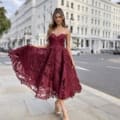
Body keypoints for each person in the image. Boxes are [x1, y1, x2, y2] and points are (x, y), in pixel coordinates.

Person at [8, 8, 82, 120]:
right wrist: (34, 47)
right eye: (56, 17)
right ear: (54, 18)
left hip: (62, 60)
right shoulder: (50, 30)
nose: (57, 19)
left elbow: (68, 48)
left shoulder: (67, 31)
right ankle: (65, 112)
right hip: (51, 60)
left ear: (63, 17)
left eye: (59, 17)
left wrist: (72, 62)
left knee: (61, 84)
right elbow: (47, 46)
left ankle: (57, 103)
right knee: (55, 83)